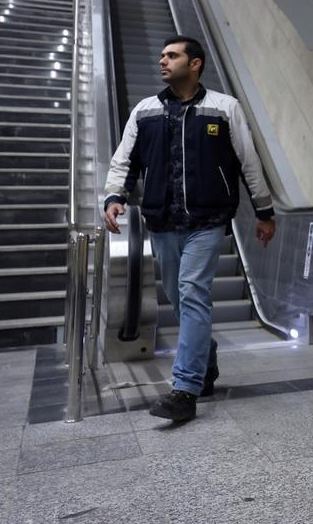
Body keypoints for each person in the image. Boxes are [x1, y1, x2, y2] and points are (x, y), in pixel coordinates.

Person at [103, 35, 276, 421]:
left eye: (172, 55)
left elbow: (249, 163)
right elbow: (124, 161)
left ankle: (184, 389)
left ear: (195, 63)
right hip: (161, 220)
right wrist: (114, 196)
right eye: (162, 56)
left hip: (208, 219)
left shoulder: (224, 107)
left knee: (192, 293)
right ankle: (206, 357)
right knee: (180, 300)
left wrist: (264, 211)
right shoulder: (145, 110)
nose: (163, 61)